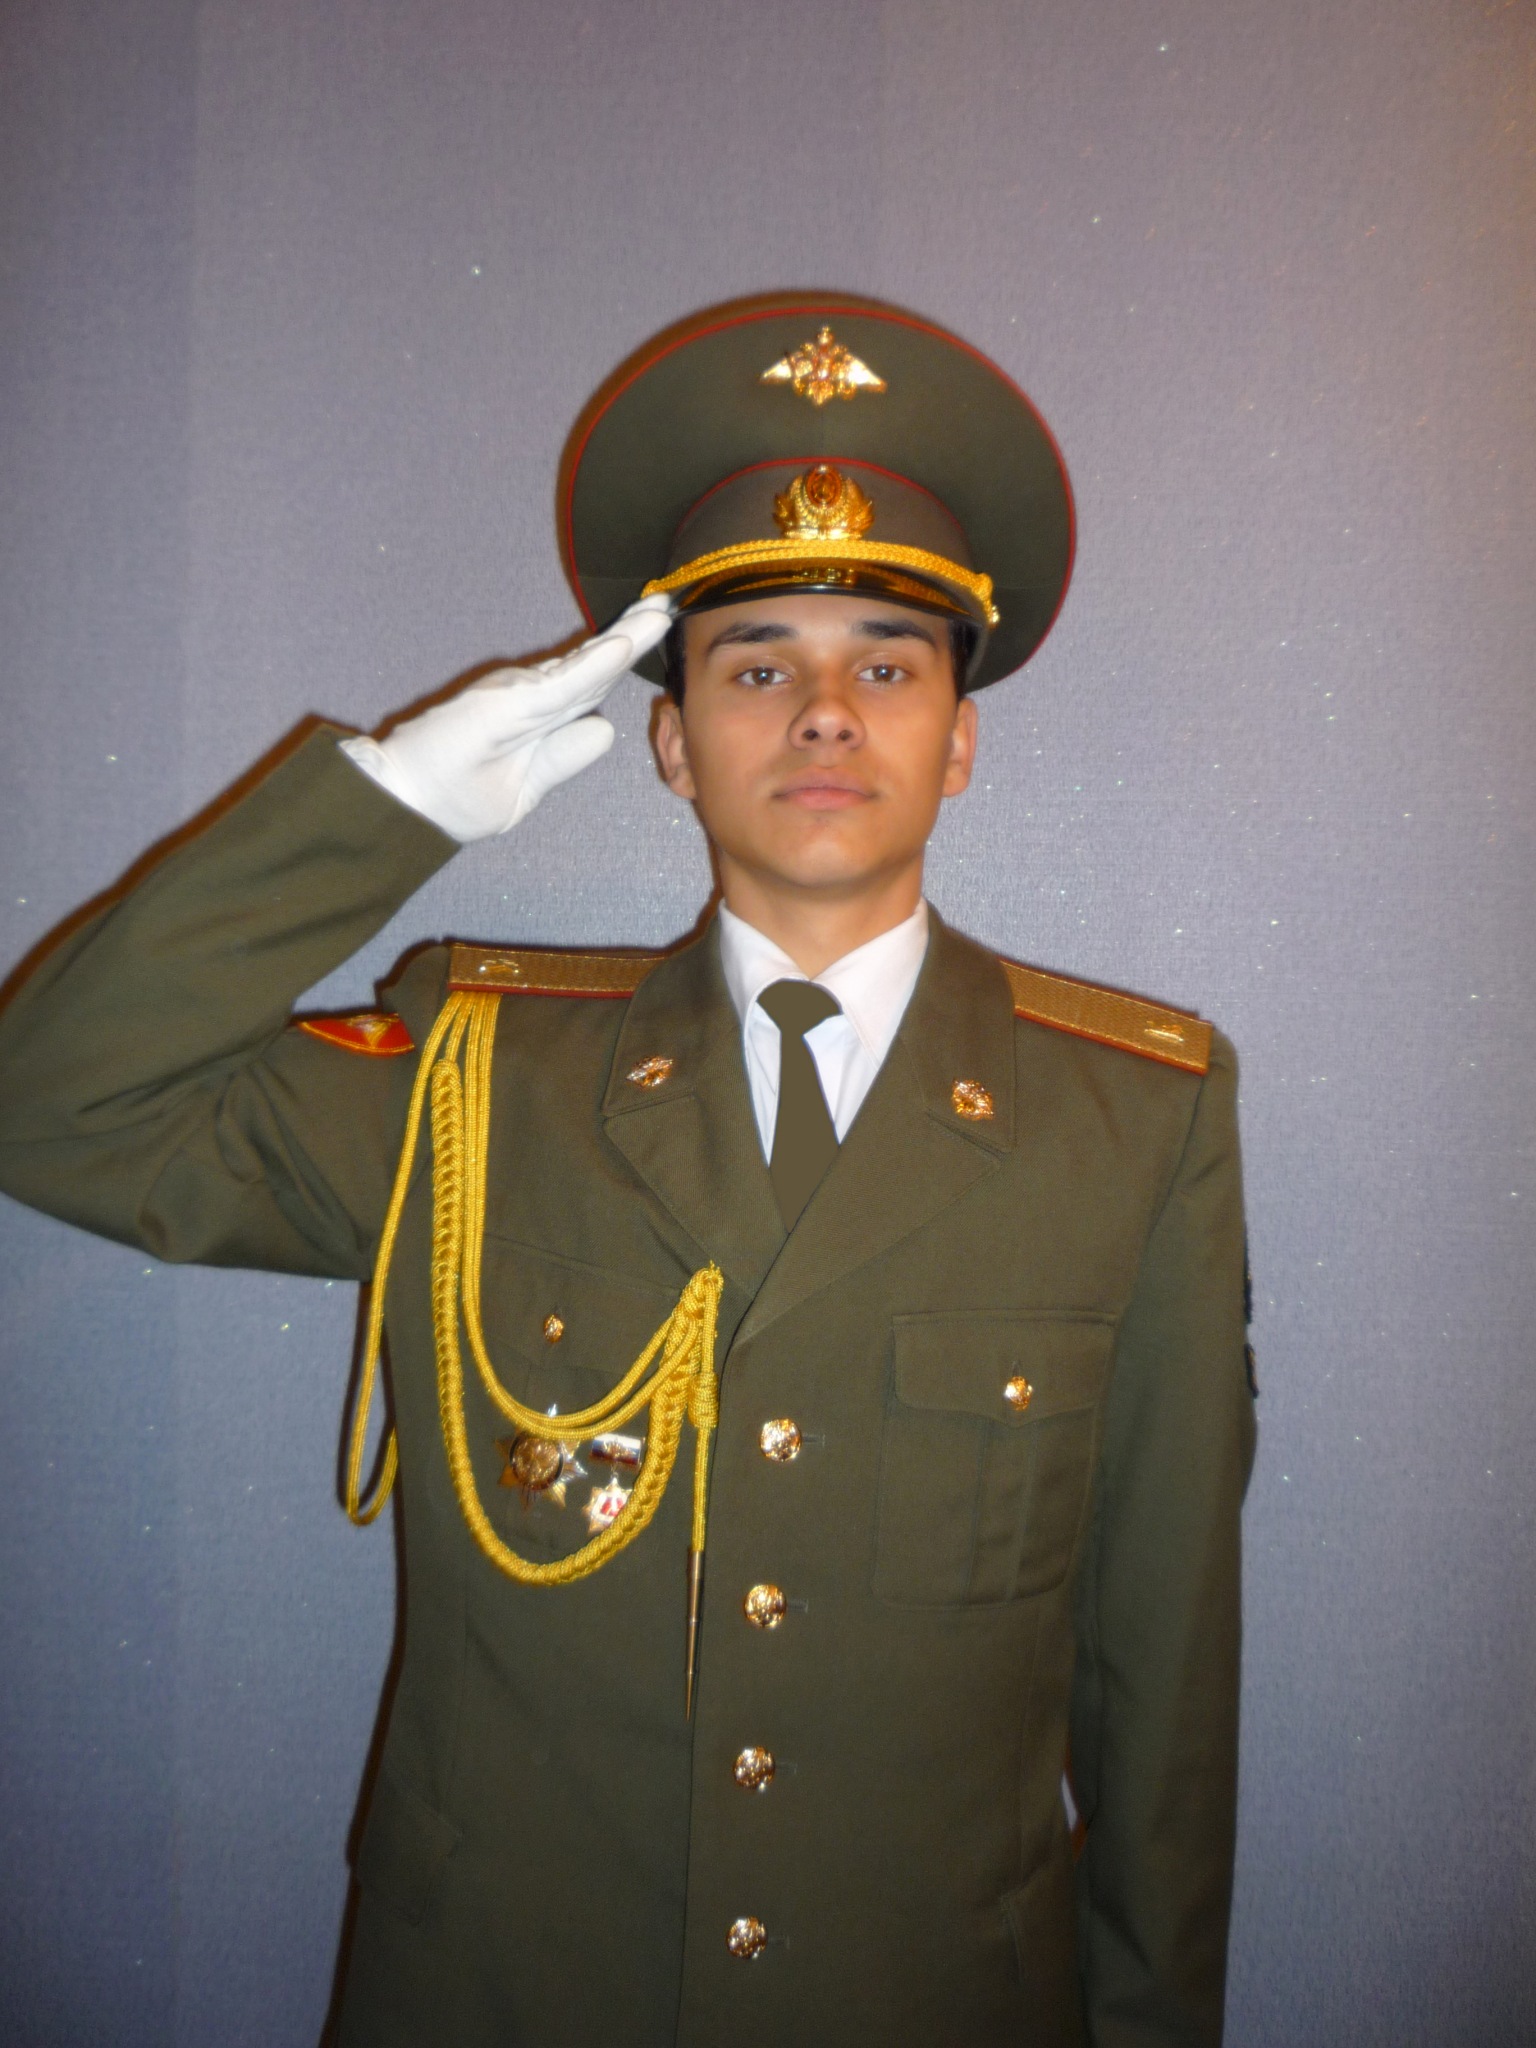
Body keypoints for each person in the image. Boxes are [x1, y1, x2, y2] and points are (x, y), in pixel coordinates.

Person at [0, 297, 1256, 2046]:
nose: (826, 714)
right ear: (673, 745)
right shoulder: (477, 1081)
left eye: (890, 666)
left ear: (961, 742)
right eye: (756, 668)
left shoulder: (1132, 1123)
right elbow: (52, 1107)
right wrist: (385, 809)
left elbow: (1165, 1676)